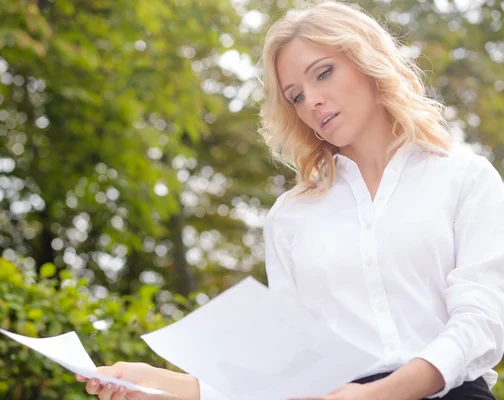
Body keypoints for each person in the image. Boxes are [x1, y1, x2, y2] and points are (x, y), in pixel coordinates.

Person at [77, 1, 504, 399]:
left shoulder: (464, 179)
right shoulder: (291, 216)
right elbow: (292, 369)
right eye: (295, 96)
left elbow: (482, 321)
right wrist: (173, 387)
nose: (312, 101)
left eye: (323, 73)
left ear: (367, 61)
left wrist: (380, 394)